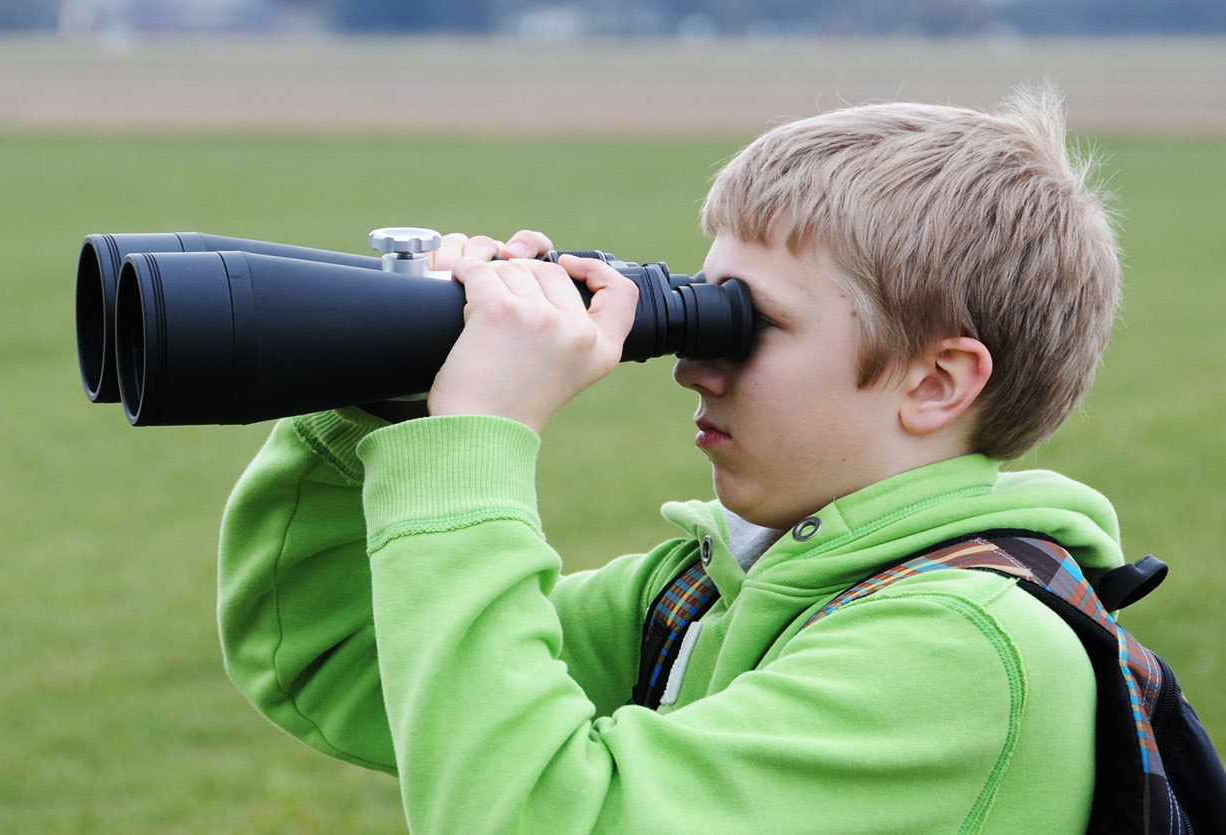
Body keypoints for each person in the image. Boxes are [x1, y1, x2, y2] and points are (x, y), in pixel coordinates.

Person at [217, 85, 1122, 833]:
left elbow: (538, 817)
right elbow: (338, 652)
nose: (692, 361)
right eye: (697, 306)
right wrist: (391, 398)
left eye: (747, 324)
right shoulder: (704, 596)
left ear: (934, 380)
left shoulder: (966, 653)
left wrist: (473, 444)